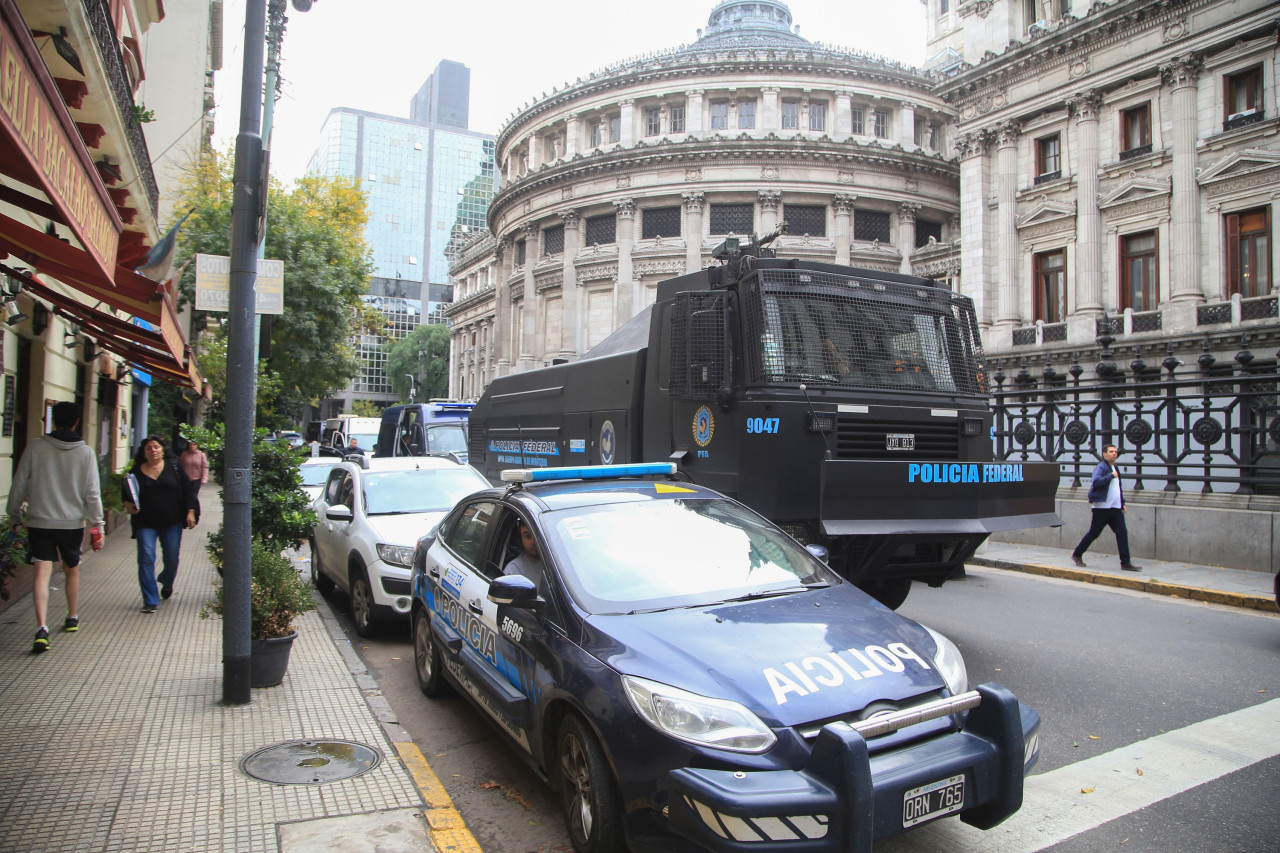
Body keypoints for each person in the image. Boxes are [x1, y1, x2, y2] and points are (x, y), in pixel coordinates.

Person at [6, 401, 105, 652]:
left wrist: (14, 516)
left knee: (42, 572)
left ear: (51, 420)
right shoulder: (86, 453)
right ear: (76, 422)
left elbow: (18, 484)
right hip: (72, 524)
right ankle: (71, 616)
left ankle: (41, 628)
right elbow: (92, 493)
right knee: (72, 569)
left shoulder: (36, 447)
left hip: (40, 521)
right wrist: (98, 524)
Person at [123, 436, 198, 612]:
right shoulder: (136, 471)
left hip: (172, 521)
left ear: (163, 450)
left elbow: (188, 491)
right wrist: (128, 505)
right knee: (146, 558)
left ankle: (166, 580)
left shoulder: (174, 467)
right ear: (144, 452)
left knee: (171, 558)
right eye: (149, 448)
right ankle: (150, 599)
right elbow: (126, 496)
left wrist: (190, 512)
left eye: (156, 447)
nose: (153, 450)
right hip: (145, 522)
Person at [1072, 444, 1142, 572]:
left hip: (1115, 508)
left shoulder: (1115, 468)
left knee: (1122, 532)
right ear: (1104, 454)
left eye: (1115, 452)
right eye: (1111, 452)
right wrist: (1110, 476)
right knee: (1094, 533)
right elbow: (1096, 482)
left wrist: (1122, 503)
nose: (1114, 454)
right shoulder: (1101, 467)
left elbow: (1118, 488)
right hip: (1102, 508)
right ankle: (1077, 554)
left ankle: (1125, 562)